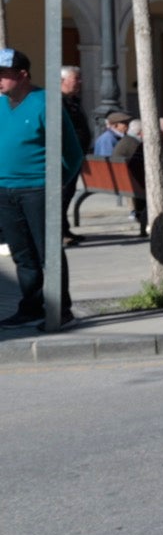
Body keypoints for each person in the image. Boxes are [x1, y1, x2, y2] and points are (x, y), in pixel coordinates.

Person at [0, 49, 81, 329]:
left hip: (37, 190)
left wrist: (55, 185)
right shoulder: (0, 104)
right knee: (22, 255)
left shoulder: (45, 102)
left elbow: (72, 152)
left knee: (49, 253)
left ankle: (61, 309)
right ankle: (31, 306)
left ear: (22, 75)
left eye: (3, 75)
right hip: (5, 191)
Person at [60, 67, 89, 245]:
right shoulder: (58, 102)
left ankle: (64, 228)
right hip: (64, 159)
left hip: (74, 157)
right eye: (76, 79)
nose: (79, 82)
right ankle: (59, 232)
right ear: (62, 81)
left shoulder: (73, 100)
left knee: (68, 195)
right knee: (62, 196)